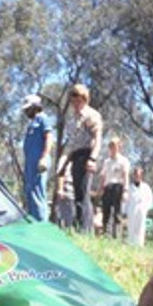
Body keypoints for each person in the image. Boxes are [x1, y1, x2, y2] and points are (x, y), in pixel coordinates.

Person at [57, 84, 103, 233]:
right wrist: (63, 163)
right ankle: (78, 227)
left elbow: (97, 138)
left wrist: (93, 158)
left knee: (83, 193)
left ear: (85, 99)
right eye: (73, 100)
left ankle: (85, 229)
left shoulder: (91, 115)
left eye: (78, 100)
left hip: (86, 154)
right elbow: (70, 144)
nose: (75, 104)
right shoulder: (72, 120)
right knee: (77, 193)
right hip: (74, 156)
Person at [22, 93, 53, 222]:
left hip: (38, 163)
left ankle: (42, 223)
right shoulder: (31, 124)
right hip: (30, 164)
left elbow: (49, 137)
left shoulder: (43, 119)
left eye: (28, 109)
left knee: (38, 192)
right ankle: (33, 222)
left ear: (35, 107)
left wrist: (44, 157)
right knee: (30, 192)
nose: (26, 112)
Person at [99, 137, 130, 238]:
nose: (112, 147)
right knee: (105, 211)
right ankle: (105, 234)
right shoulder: (106, 161)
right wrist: (101, 189)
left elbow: (125, 176)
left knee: (117, 212)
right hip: (108, 187)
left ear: (119, 147)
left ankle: (117, 236)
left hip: (118, 187)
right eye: (111, 145)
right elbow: (103, 176)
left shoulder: (123, 161)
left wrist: (125, 190)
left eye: (115, 145)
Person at [127, 166, 153, 247]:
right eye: (136, 175)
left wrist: (146, 208)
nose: (137, 177)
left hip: (142, 209)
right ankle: (130, 243)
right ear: (134, 176)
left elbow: (150, 199)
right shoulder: (129, 187)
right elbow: (126, 200)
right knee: (131, 226)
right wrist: (125, 210)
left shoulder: (146, 187)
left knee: (140, 227)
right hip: (131, 209)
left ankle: (139, 244)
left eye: (139, 175)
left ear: (141, 176)